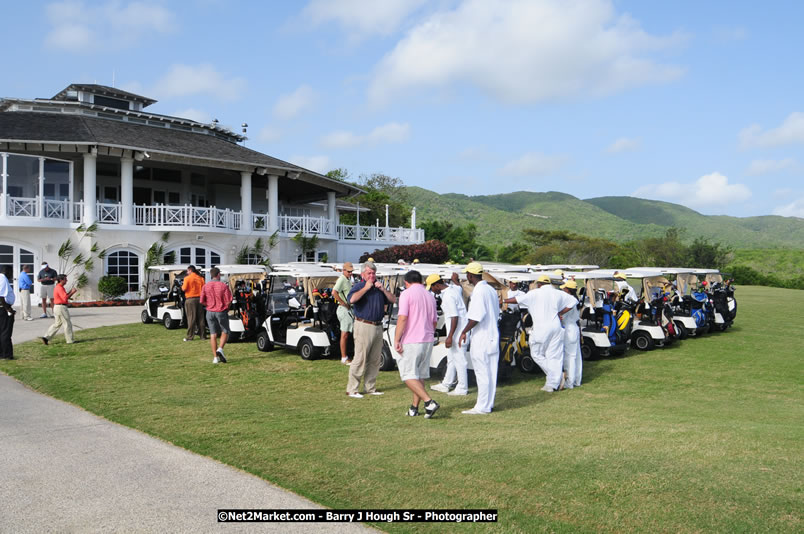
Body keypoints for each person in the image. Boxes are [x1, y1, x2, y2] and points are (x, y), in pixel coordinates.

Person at [504, 274, 576, 392]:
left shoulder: (535, 293)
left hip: (542, 328)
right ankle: (552, 384)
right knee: (554, 356)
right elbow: (573, 301)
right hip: (556, 326)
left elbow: (516, 300)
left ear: (539, 284)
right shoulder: (556, 292)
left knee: (536, 354)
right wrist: (560, 313)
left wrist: (503, 300)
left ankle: (555, 376)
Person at [393, 270, 440, 418]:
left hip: (413, 339)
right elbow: (434, 321)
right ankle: (414, 408)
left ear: (406, 282)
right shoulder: (430, 296)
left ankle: (429, 402)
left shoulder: (406, 294)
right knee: (418, 375)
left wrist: (397, 339)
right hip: (428, 339)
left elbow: (402, 318)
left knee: (407, 375)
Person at [345, 262, 395, 398]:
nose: (372, 276)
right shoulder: (359, 286)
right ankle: (352, 389)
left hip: (378, 325)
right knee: (360, 358)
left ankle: (370, 387)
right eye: (369, 273)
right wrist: (366, 288)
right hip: (363, 324)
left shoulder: (379, 288)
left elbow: (393, 300)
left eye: (373, 273)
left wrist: (383, 289)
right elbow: (351, 300)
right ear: (363, 275)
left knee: (375, 359)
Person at [458, 262, 500, 415]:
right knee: (490, 372)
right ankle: (488, 404)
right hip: (492, 336)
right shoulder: (490, 289)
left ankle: (482, 406)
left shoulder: (479, 291)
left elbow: (476, 317)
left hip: (482, 338)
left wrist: (464, 331)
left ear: (470, 275)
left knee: (482, 373)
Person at [427, 273, 470, 396]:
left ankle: (462, 388)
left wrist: (449, 336)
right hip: (458, 331)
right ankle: (447, 383)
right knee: (451, 358)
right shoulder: (452, 288)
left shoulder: (448, 296)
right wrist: (455, 280)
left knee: (460, 360)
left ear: (437, 285)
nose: (432, 290)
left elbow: (454, 317)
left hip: (458, 332)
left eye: (432, 287)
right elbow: (459, 287)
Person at [200, 267, 233, 364]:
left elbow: (202, 300)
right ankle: (220, 348)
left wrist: (208, 305)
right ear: (218, 274)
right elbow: (229, 300)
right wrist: (227, 308)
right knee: (225, 330)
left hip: (209, 311)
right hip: (221, 310)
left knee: (213, 334)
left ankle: (215, 358)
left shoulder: (206, 286)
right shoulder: (223, 286)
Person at [41, 274, 76, 345]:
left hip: (57, 307)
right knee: (67, 323)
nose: (66, 281)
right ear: (61, 280)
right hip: (61, 307)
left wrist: (70, 292)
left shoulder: (58, 287)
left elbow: (65, 296)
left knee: (57, 324)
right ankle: (70, 340)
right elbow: (65, 298)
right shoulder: (60, 287)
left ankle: (46, 337)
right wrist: (72, 292)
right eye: (65, 279)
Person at [560, 280, 582, 389]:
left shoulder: (570, 301)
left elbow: (562, 315)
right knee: (576, 356)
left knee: (570, 357)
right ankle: (577, 380)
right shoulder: (575, 299)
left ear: (567, 290)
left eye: (564, 288)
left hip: (569, 328)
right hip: (574, 328)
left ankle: (570, 382)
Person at [332, 261, 355, 364]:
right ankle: (344, 357)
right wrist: (343, 303)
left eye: (351, 271)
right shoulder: (342, 279)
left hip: (349, 309)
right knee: (345, 333)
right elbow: (334, 292)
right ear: (344, 270)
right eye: (349, 271)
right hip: (344, 309)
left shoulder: (347, 280)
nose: (351, 273)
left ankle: (348, 355)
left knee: (348, 333)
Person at [182, 265, 206, 341]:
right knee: (201, 318)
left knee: (191, 318)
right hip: (200, 299)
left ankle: (190, 336)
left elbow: (184, 288)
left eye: (187, 271)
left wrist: (180, 286)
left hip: (190, 299)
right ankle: (203, 335)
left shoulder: (187, 278)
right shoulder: (201, 278)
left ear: (190, 270)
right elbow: (204, 289)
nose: (187, 272)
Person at [0, 266, 16, 359]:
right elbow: (1, 296)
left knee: (2, 332)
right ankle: (6, 354)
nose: (12, 275)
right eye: (11, 272)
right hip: (3, 309)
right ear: (8, 271)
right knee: (5, 332)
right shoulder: (2, 279)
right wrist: (8, 309)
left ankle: (2, 353)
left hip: (3, 308)